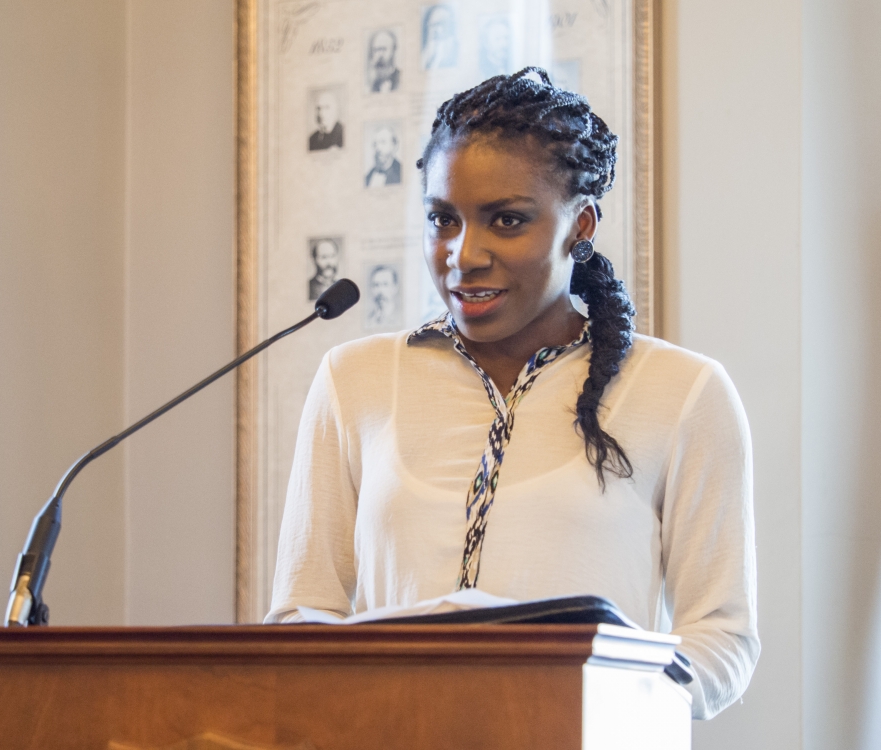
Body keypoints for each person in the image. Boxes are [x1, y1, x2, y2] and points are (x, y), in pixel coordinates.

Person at [268, 68, 759, 721]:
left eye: (506, 220)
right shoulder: (351, 380)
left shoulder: (686, 394)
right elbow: (301, 615)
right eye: (443, 219)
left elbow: (723, 640)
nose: (464, 254)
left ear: (580, 225)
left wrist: (598, 700)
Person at [420, 4, 458, 69]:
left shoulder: (455, 51)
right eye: (432, 25)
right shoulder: (425, 53)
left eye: (441, 23)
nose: (436, 29)